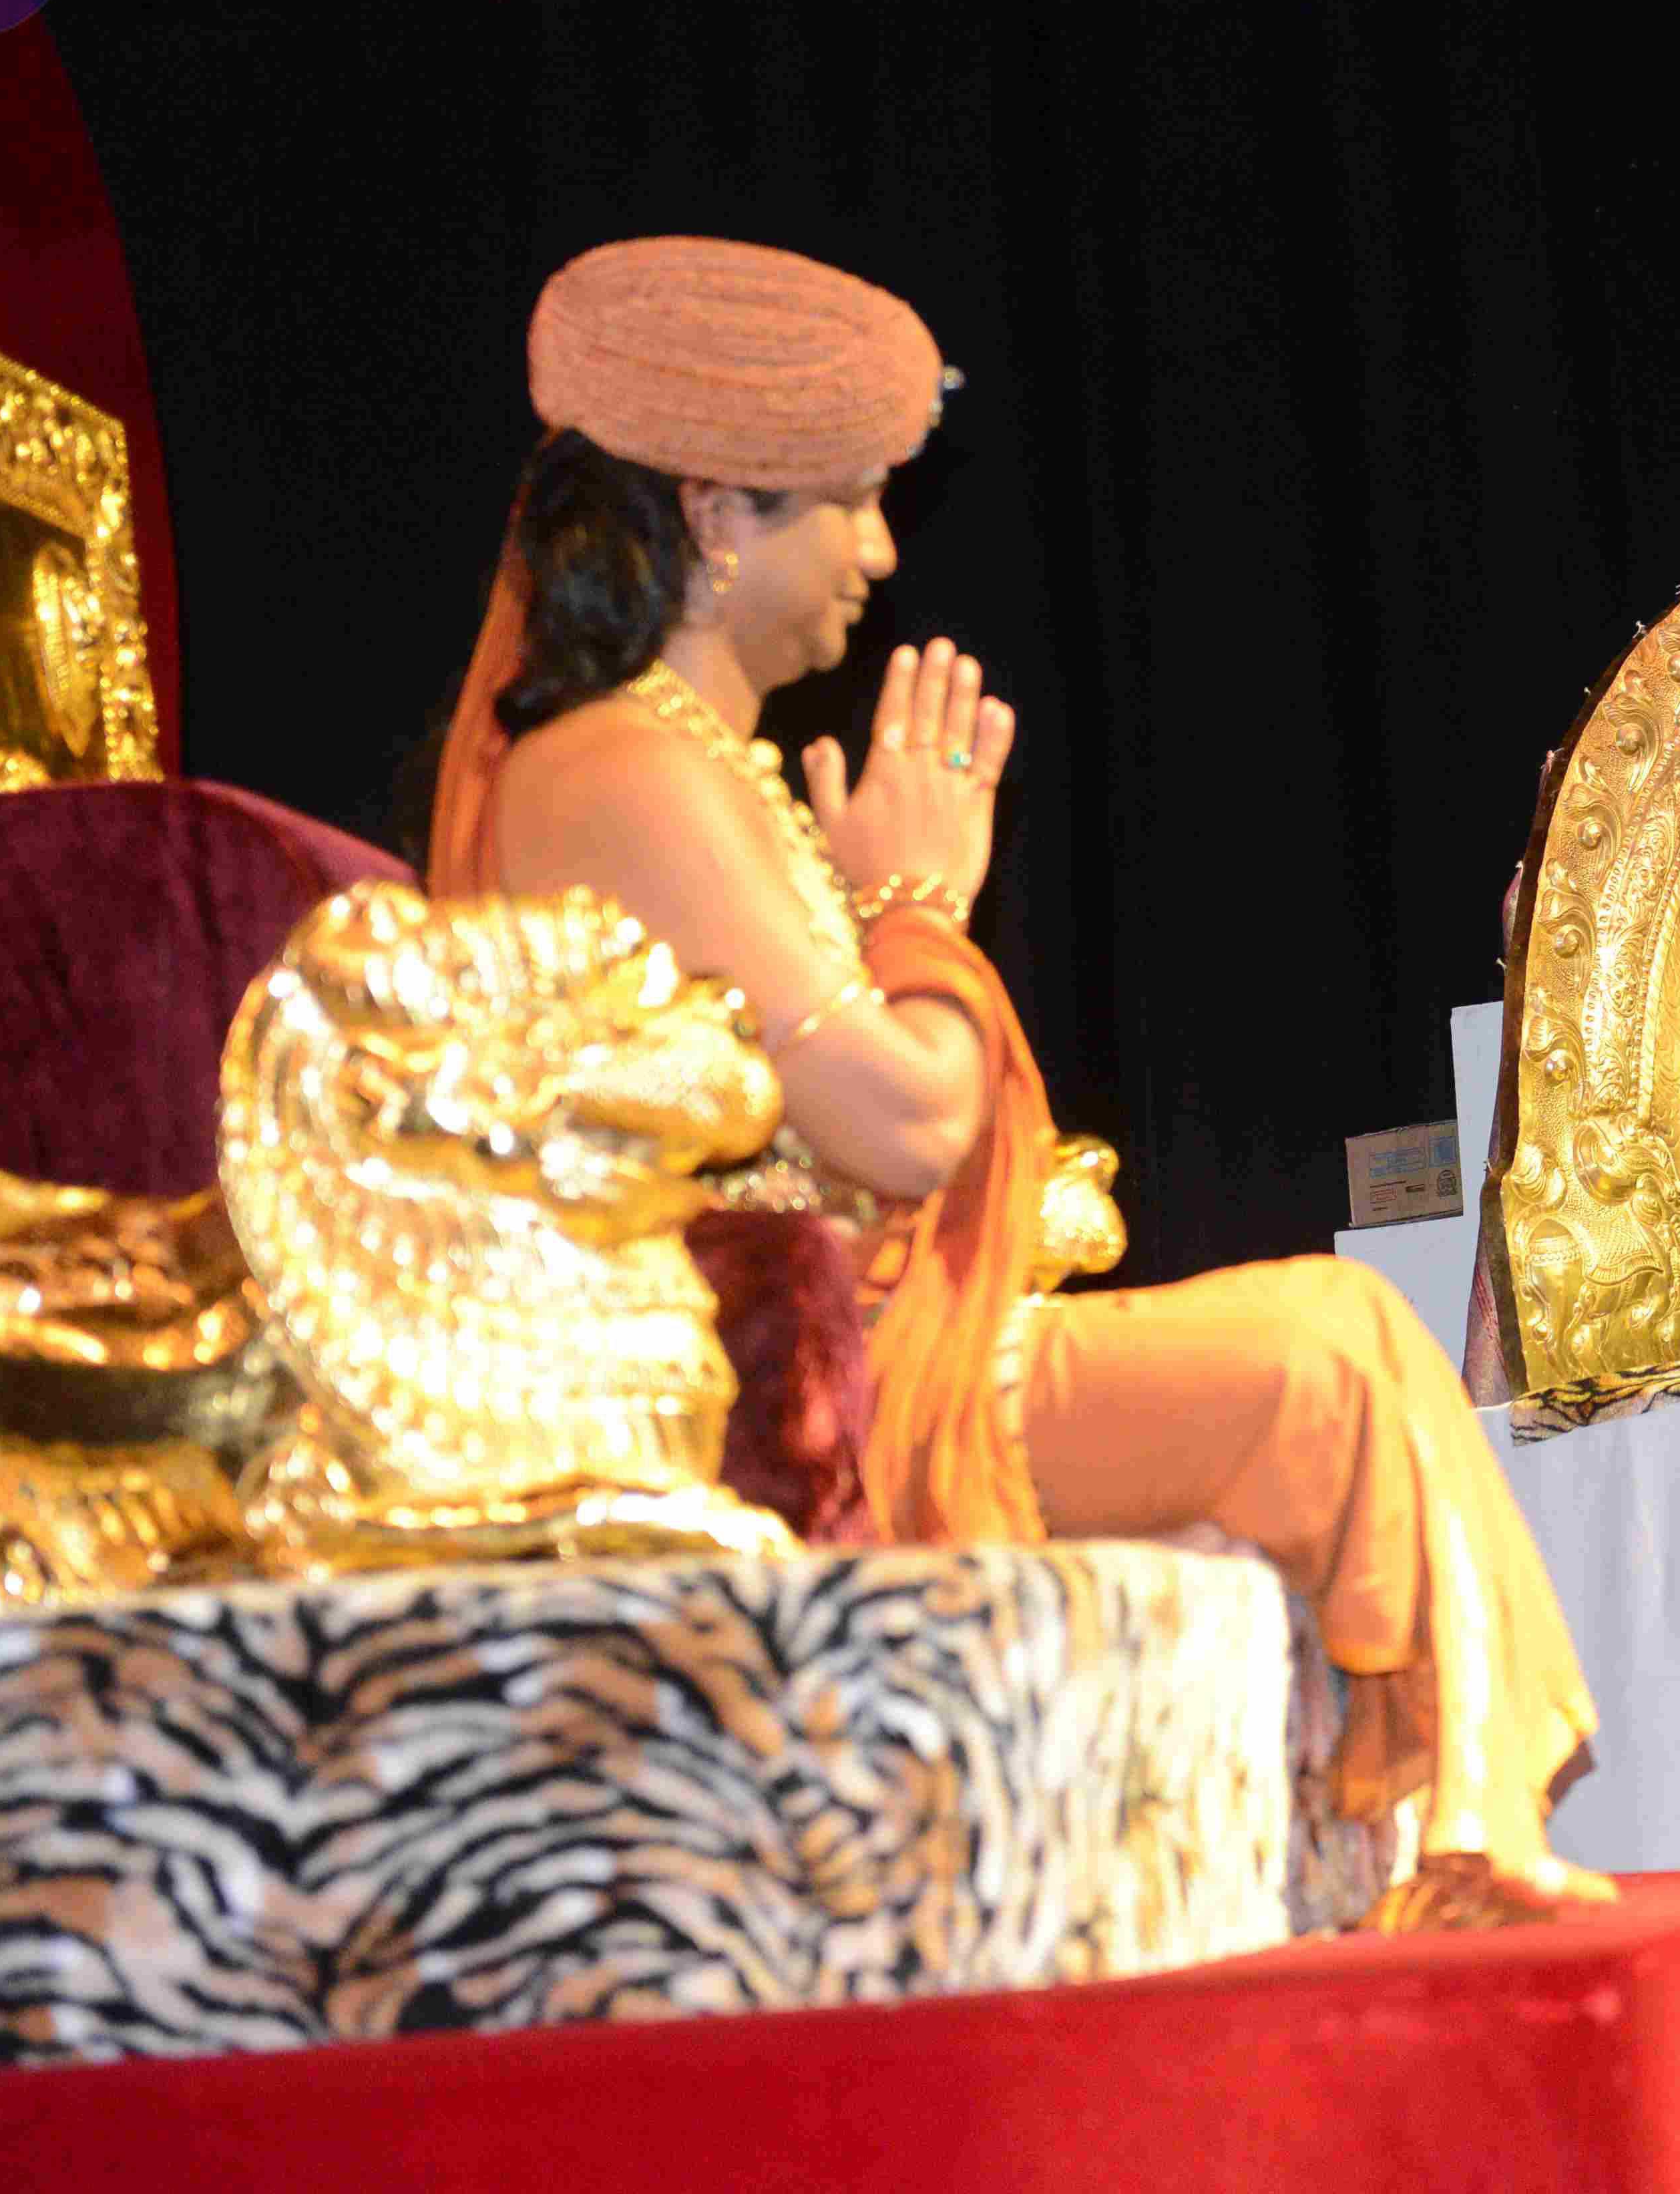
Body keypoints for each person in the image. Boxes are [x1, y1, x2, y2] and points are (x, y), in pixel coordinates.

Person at [425, 236, 1609, 1930]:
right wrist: (919, 901)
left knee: (1328, 1348)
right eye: (852, 501)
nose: (880, 552)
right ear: (714, 514)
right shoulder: (616, 763)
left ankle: (1446, 1829)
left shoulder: (685, 767)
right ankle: (1457, 1835)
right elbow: (906, 1121)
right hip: (794, 1405)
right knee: (1332, 1347)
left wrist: (887, 911)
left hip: (854, 1353)